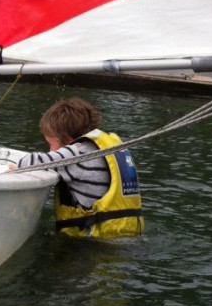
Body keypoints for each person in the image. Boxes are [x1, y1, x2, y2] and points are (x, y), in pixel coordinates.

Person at [15, 98, 144, 239]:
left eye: (51, 144)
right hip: (127, 235)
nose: (50, 150)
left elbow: (29, 162)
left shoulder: (76, 155)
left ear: (69, 141)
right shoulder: (111, 147)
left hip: (93, 242)